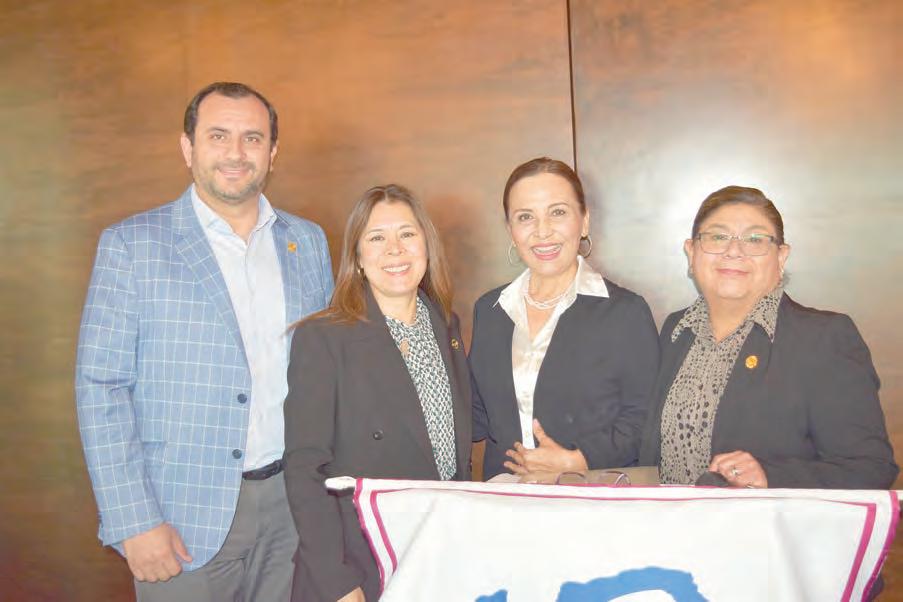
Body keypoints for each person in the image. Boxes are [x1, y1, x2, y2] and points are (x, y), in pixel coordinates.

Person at [75, 82, 333, 601]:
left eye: (252, 138)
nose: (236, 153)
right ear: (187, 147)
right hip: (181, 520)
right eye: (218, 136)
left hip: (294, 509)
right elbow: (101, 386)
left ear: (272, 152)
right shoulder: (132, 245)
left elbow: (330, 370)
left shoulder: (307, 241)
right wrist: (133, 519)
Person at [283, 184, 472, 602]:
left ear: (426, 245)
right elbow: (305, 469)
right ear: (358, 258)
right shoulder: (323, 337)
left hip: (431, 556)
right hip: (356, 564)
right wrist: (338, 581)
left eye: (407, 234)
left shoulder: (446, 326)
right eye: (377, 238)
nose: (394, 249)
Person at [639, 185, 897, 489]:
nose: (733, 251)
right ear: (691, 252)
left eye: (755, 240)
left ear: (781, 256)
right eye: (718, 237)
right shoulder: (677, 330)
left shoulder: (823, 338)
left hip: (768, 520)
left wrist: (770, 477)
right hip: (668, 517)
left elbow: (870, 468)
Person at [470, 157, 659, 480]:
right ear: (511, 231)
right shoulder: (490, 310)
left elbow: (647, 419)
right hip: (504, 499)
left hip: (588, 498)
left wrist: (577, 461)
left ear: (584, 222)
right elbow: (474, 414)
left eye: (557, 212)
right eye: (525, 217)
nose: (542, 231)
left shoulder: (625, 313)